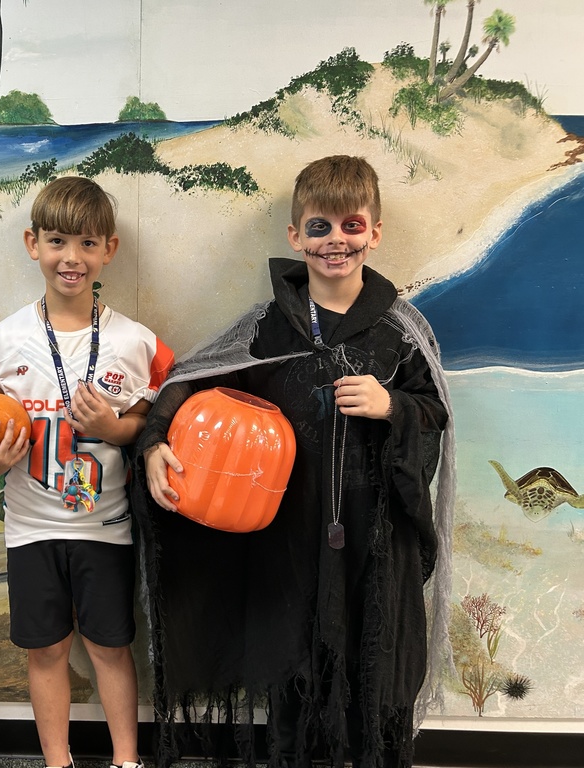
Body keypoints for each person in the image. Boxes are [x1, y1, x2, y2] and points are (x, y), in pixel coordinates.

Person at [133, 156, 456, 768]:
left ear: (375, 233)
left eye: (352, 225)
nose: (336, 240)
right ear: (295, 237)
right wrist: (153, 445)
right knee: (292, 679)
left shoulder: (402, 333)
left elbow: (435, 415)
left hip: (375, 548)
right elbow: (189, 383)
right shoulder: (265, 330)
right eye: (319, 227)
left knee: (373, 675)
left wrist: (393, 406)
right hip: (289, 545)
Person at [0, 176, 175, 768]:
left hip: (105, 524)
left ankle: (126, 760)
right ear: (33, 244)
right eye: (57, 241)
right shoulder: (3, 341)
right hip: (30, 526)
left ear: (109, 249)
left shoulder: (134, 342)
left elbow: (141, 424)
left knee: (111, 646)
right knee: (46, 650)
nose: (71, 258)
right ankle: (59, 761)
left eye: (86, 243)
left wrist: (111, 430)